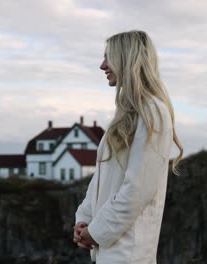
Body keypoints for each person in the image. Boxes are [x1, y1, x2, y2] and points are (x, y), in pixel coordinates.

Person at [72, 30, 184, 264]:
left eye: (108, 57)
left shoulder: (153, 113)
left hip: (130, 256)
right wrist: (84, 219)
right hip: (111, 254)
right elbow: (101, 177)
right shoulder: (126, 116)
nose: (102, 65)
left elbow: (137, 189)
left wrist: (96, 231)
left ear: (127, 59)